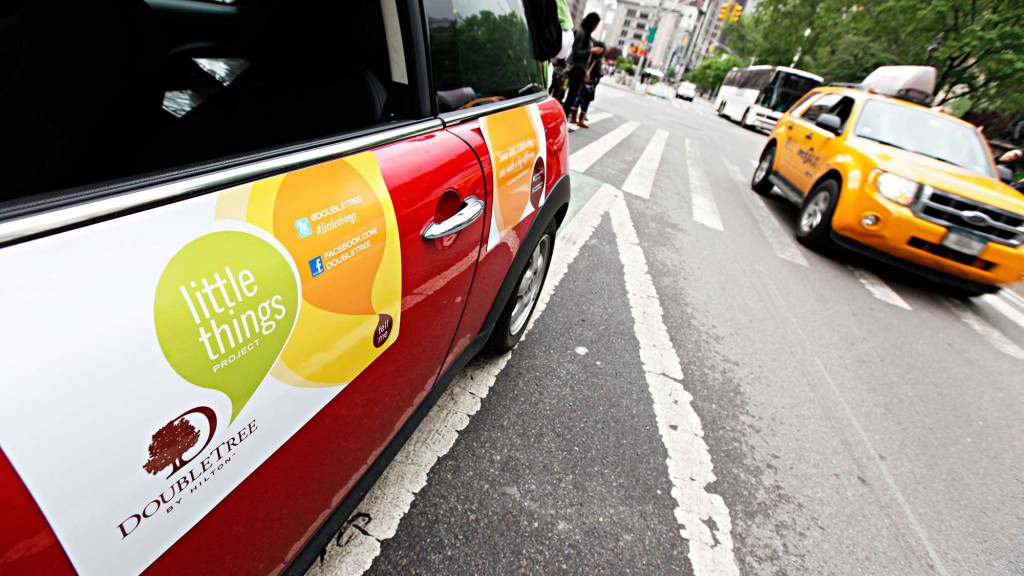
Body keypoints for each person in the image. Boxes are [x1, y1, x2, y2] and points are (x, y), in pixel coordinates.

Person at [562, 12, 601, 120]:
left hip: (580, 70)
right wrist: (591, 50)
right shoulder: (581, 33)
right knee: (570, 96)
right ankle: (564, 117)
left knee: (572, 96)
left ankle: (565, 117)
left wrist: (586, 71)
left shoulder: (586, 35)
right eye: (596, 24)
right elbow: (576, 52)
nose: (596, 27)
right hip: (575, 69)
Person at [570, 41, 605, 129]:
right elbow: (598, 73)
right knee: (586, 101)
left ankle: (573, 118)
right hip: (590, 82)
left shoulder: (588, 55)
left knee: (578, 98)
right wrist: (602, 72)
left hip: (582, 79)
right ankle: (581, 120)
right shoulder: (598, 59)